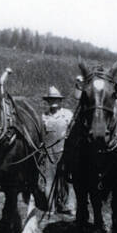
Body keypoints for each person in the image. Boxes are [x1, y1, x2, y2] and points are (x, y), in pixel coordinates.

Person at [42, 86, 75, 215]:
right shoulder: (44, 117)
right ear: (48, 101)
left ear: (60, 101)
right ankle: (51, 207)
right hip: (49, 153)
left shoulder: (68, 114)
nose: (53, 102)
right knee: (49, 180)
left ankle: (70, 206)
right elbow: (41, 135)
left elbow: (73, 131)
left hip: (65, 152)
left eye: (56, 99)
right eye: (51, 100)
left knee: (68, 180)